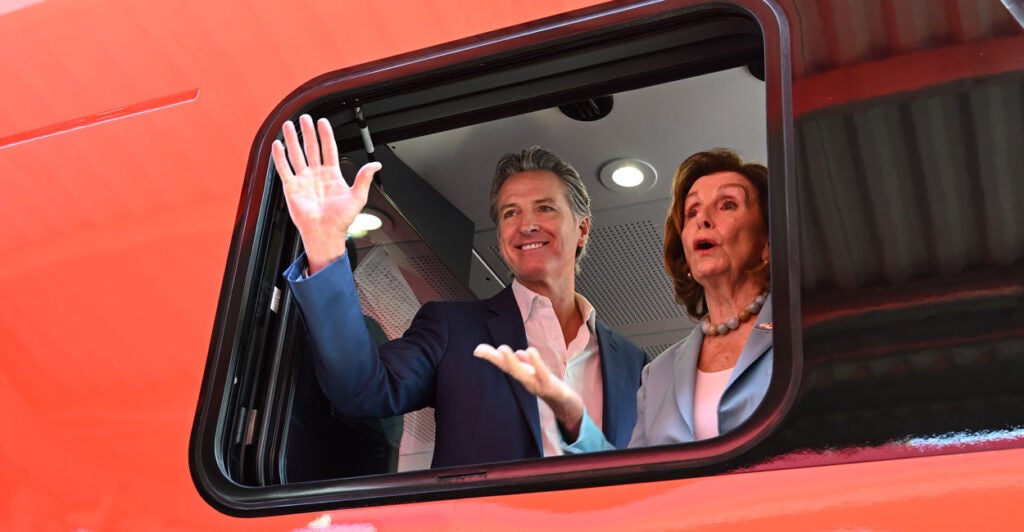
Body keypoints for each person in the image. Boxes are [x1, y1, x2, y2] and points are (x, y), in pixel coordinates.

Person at [271, 114, 648, 468]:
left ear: (582, 229)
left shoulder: (635, 364)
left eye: (545, 208)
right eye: (510, 213)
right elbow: (362, 390)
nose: (526, 224)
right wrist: (324, 245)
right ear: (500, 238)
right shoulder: (453, 329)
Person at [476, 148, 771, 450]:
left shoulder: (805, 335)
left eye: (728, 205)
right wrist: (572, 414)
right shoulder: (658, 373)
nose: (702, 219)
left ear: (768, 241)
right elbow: (634, 480)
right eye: (692, 211)